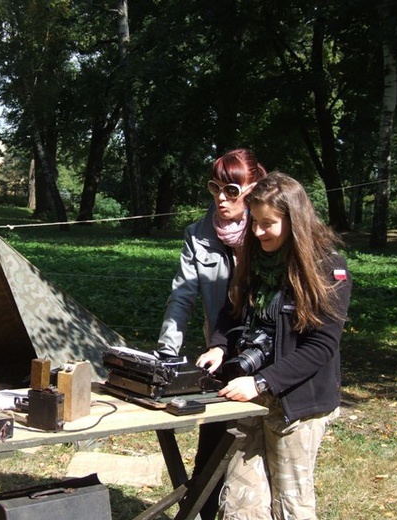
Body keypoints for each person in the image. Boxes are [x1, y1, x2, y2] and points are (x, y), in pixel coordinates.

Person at [197, 172, 352, 519]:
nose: (257, 232)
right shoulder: (254, 258)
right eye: (255, 222)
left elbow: (322, 345)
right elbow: (231, 309)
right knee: (240, 499)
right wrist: (220, 346)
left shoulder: (329, 268)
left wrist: (262, 382)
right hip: (248, 394)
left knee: (290, 504)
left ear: (294, 221)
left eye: (269, 224)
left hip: (296, 403)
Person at [156, 148, 267, 519]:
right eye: (215, 188)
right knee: (211, 459)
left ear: (254, 188)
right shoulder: (198, 235)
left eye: (232, 189)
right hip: (218, 354)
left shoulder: (269, 230)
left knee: (258, 461)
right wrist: (167, 356)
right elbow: (182, 295)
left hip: (268, 359)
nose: (221, 197)